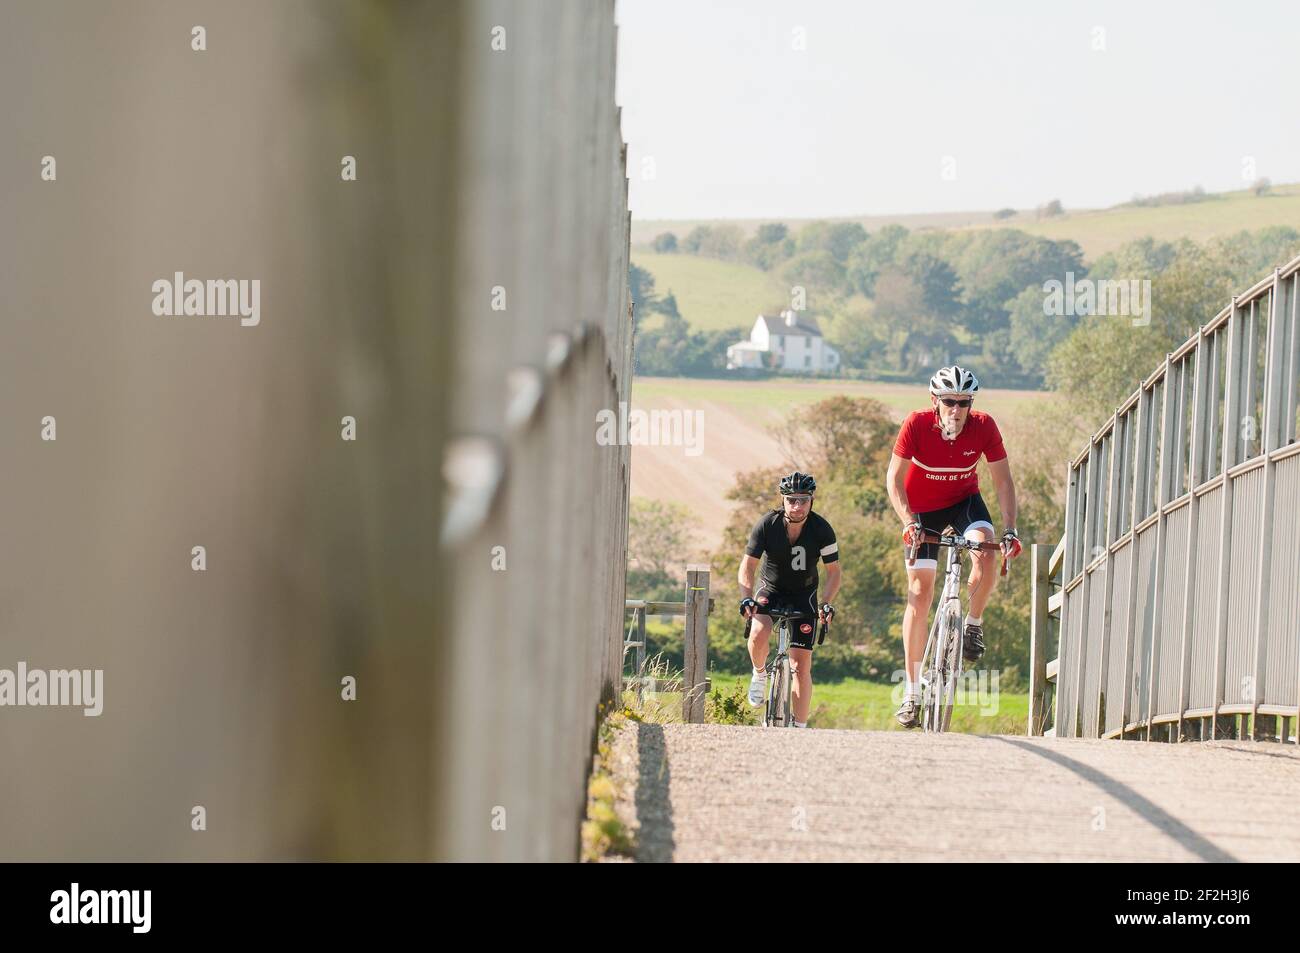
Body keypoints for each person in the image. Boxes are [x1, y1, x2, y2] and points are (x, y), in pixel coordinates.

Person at [886, 365, 1022, 729]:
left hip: (965, 502)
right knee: (920, 591)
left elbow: (1004, 481)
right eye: (949, 401)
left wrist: (1010, 529)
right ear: (935, 401)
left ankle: (973, 623)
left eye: (964, 402)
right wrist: (908, 522)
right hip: (922, 512)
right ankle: (913, 691)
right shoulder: (915, 424)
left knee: (986, 551)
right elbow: (894, 480)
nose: (956, 410)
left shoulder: (984, 426)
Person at [737, 471, 840, 728]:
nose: (797, 506)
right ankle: (759, 674)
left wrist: (825, 602)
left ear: (811, 500)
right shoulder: (766, 525)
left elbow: (834, 572)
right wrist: (746, 598)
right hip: (771, 590)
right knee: (759, 632)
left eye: (803, 500)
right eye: (791, 500)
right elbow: (748, 566)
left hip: (803, 595)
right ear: (782, 500)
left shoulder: (822, 529)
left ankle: (800, 727)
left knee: (800, 665)